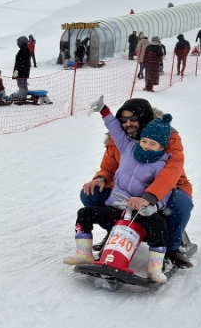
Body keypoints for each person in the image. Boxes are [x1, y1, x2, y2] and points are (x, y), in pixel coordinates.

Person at [65, 108, 178, 284]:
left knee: (158, 225)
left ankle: (155, 267)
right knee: (84, 213)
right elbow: (115, 130)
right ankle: (83, 253)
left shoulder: (162, 164)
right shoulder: (129, 148)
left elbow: (165, 189)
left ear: (161, 147)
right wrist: (104, 111)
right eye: (145, 141)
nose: (146, 146)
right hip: (117, 208)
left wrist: (149, 205)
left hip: (141, 214)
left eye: (152, 144)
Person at [81, 96, 194, 268]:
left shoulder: (165, 135)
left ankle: (172, 247)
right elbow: (109, 167)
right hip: (127, 190)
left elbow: (172, 171)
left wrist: (149, 197)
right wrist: (101, 178)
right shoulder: (120, 137)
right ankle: (115, 232)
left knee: (181, 202)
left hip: (166, 187)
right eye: (123, 120)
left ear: (144, 119)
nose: (128, 124)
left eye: (133, 119)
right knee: (91, 194)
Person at [13, 36, 32, 101]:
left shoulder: (23, 50)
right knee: (23, 85)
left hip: (21, 71)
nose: (17, 44)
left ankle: (22, 99)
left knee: (22, 86)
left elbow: (21, 62)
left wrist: (17, 70)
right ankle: (21, 97)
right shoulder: (25, 49)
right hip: (24, 71)